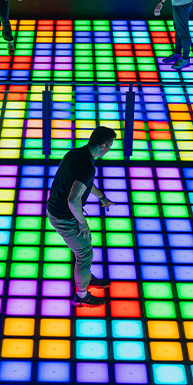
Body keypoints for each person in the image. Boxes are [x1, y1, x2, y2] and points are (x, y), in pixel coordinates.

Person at [47, 126, 117, 307]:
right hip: (64, 217)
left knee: (84, 247)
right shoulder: (87, 166)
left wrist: (102, 198)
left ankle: (87, 278)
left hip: (56, 210)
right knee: (84, 254)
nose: (109, 149)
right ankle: (81, 296)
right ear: (102, 145)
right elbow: (73, 200)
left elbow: (85, 184)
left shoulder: (75, 154)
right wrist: (82, 222)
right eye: (110, 145)